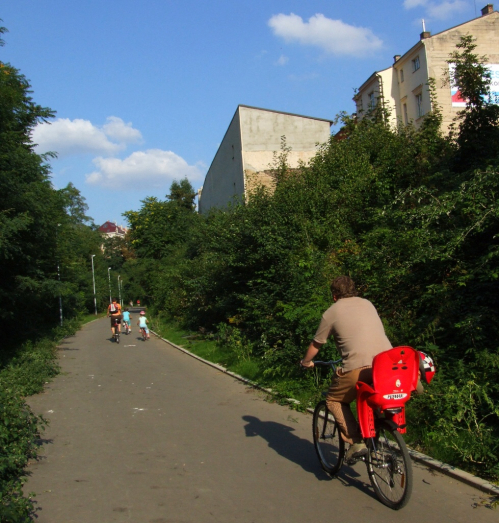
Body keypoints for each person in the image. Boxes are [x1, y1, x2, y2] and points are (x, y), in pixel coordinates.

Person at [300, 276, 392, 461]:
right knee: (372, 399)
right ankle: (375, 437)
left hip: (357, 368)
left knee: (334, 400)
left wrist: (305, 362)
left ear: (334, 295)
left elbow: (316, 344)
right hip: (387, 365)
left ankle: (356, 442)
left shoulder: (331, 313)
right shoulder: (368, 304)